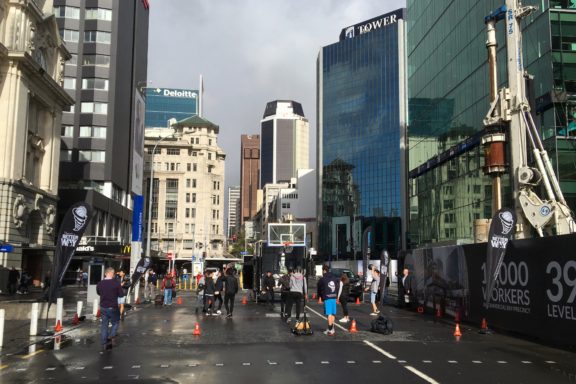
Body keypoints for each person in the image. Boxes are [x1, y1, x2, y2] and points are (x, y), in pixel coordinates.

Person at [96, 267, 124, 353]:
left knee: (104, 325)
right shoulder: (116, 283)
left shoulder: (100, 283)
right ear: (112, 274)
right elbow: (121, 295)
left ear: (105, 274)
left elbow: (98, 292)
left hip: (103, 307)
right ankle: (111, 335)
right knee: (115, 322)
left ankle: (104, 342)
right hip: (112, 307)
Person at [317, 264, 339, 336]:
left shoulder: (322, 279)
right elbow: (337, 286)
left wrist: (320, 296)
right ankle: (332, 328)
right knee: (333, 314)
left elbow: (319, 288)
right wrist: (336, 295)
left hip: (327, 297)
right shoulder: (334, 277)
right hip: (333, 297)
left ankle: (330, 330)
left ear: (324, 270)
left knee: (329, 314)